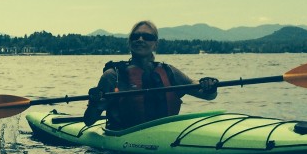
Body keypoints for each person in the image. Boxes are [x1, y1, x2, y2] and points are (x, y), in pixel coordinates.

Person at [83, 20, 219, 129]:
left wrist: (209, 86)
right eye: (135, 36)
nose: (140, 39)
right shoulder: (113, 76)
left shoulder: (170, 72)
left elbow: (208, 96)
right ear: (130, 43)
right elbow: (89, 121)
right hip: (123, 143)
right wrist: (94, 102)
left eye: (147, 37)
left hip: (165, 137)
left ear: (155, 44)